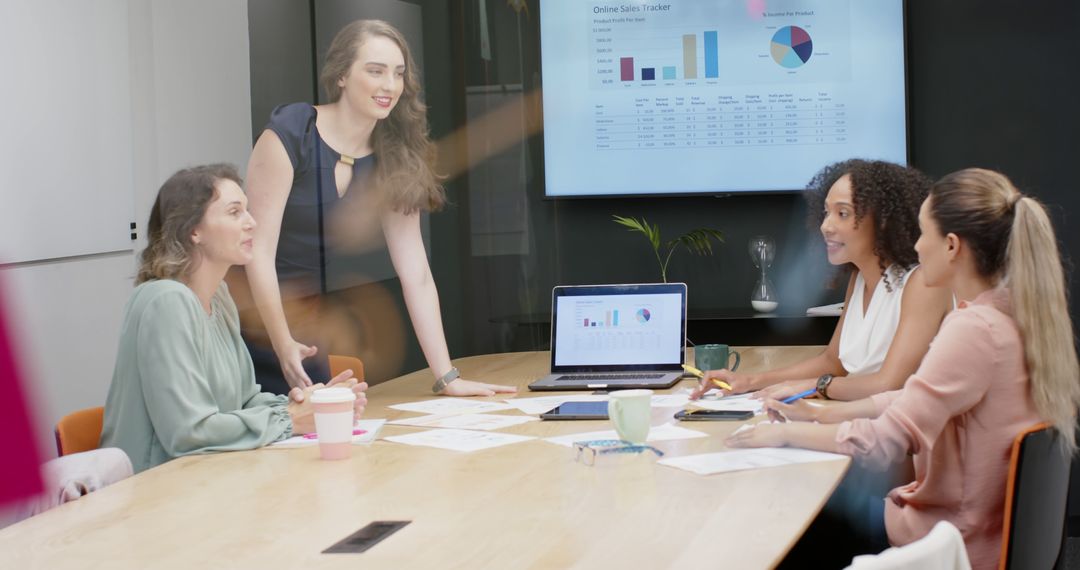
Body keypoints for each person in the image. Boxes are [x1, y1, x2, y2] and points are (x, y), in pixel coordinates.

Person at [730, 168, 1080, 568]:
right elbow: (915, 398)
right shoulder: (1013, 316)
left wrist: (785, 436)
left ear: (951, 246)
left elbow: (885, 442)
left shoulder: (973, 330)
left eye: (922, 233)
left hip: (948, 543)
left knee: (788, 519)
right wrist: (820, 411)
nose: (915, 246)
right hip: (981, 533)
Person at [241, 19, 514, 397]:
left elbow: (415, 272)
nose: (390, 85)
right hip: (253, 326)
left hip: (307, 336)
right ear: (341, 75)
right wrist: (281, 342)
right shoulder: (291, 133)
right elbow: (257, 253)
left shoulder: (394, 156)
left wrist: (447, 377)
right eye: (375, 71)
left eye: (398, 74)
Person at [100, 165, 367, 473]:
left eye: (248, 211)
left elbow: (244, 400)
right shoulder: (166, 302)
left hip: (205, 478)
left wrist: (312, 404)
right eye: (234, 212)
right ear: (193, 230)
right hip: (153, 490)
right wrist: (291, 418)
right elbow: (188, 433)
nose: (252, 223)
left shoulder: (219, 298)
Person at [691, 160, 953, 402]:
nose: (825, 226)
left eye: (843, 213)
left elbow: (888, 385)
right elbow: (832, 362)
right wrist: (750, 381)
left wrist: (816, 386)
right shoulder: (860, 277)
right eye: (827, 212)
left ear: (883, 221)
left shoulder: (922, 283)